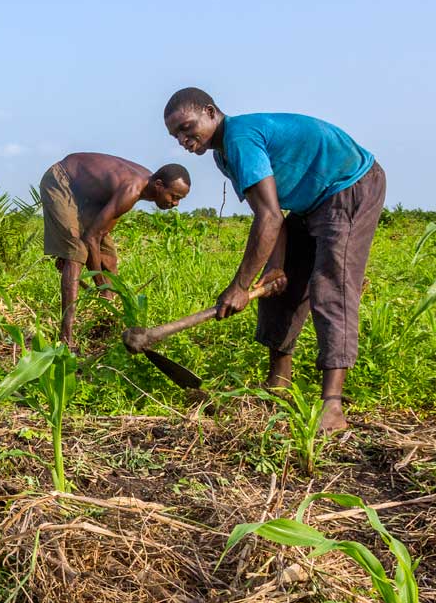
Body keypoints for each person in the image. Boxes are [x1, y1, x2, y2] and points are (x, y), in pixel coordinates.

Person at [163, 87, 385, 431]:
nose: (183, 139)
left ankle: (332, 406)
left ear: (210, 112)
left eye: (186, 127)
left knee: (331, 285)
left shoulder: (240, 139)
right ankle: (278, 385)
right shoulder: (223, 155)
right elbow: (271, 210)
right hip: (309, 201)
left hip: (348, 184)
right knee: (278, 287)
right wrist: (275, 267)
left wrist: (239, 287)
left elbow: (268, 218)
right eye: (176, 134)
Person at [40, 153, 190, 346]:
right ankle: (66, 339)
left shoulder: (143, 185)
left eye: (179, 199)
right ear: (159, 185)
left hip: (87, 195)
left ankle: (109, 322)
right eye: (174, 197)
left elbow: (99, 233)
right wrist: (101, 287)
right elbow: (91, 238)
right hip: (62, 180)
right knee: (76, 253)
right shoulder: (132, 189)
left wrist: (101, 269)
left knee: (108, 255)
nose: (175, 204)